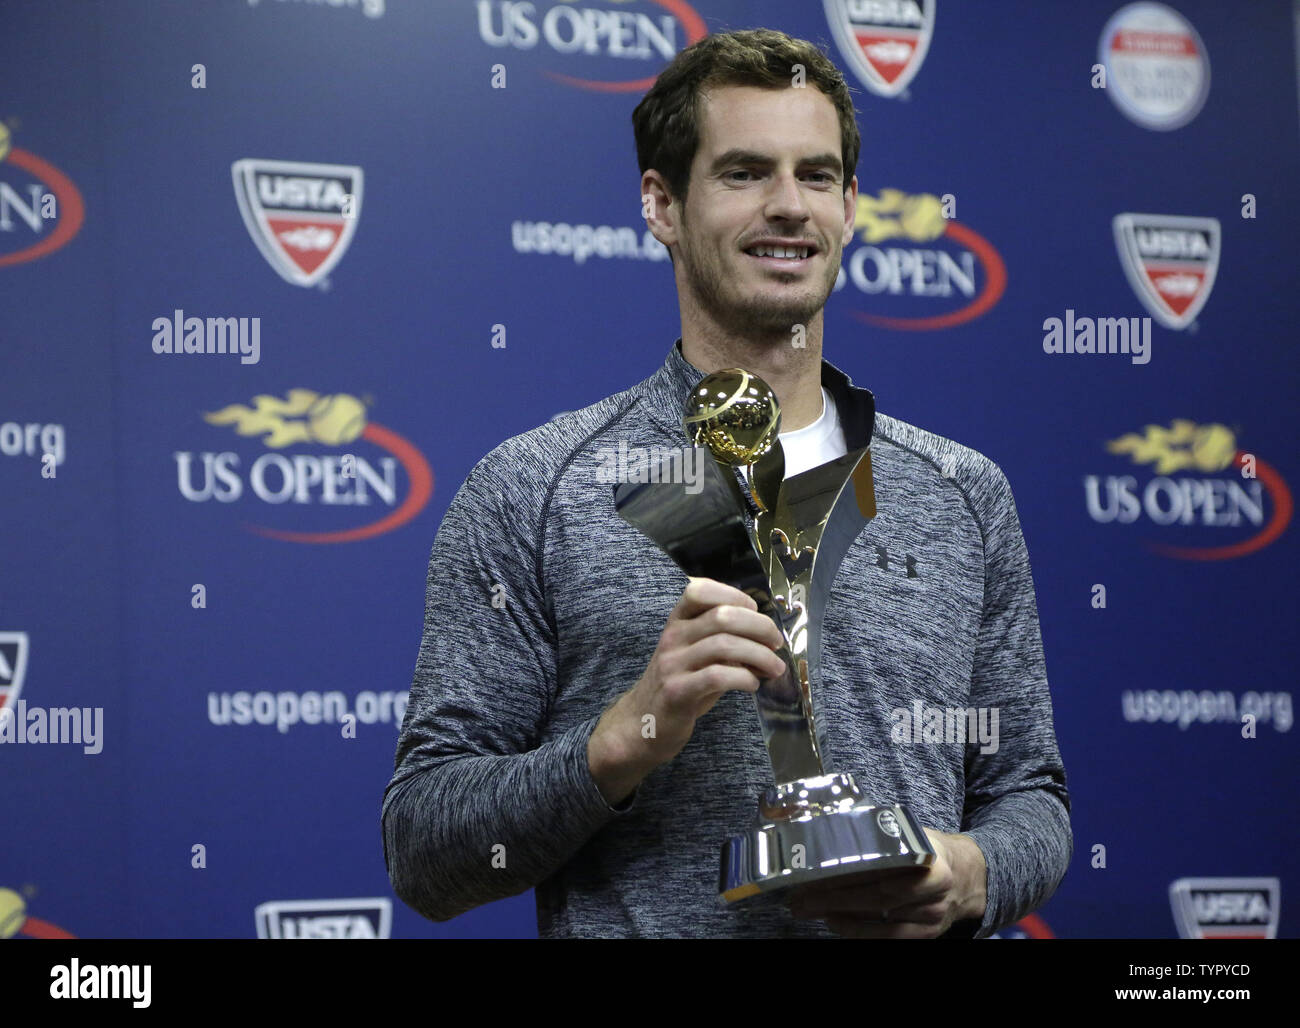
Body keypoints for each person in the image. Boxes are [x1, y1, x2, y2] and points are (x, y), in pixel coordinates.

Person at [383, 27, 1071, 939]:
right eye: (744, 173)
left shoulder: (961, 495)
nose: (788, 206)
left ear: (850, 207)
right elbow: (425, 852)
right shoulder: (535, 488)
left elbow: (1029, 794)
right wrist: (621, 740)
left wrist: (972, 873)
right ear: (661, 204)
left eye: (816, 176)